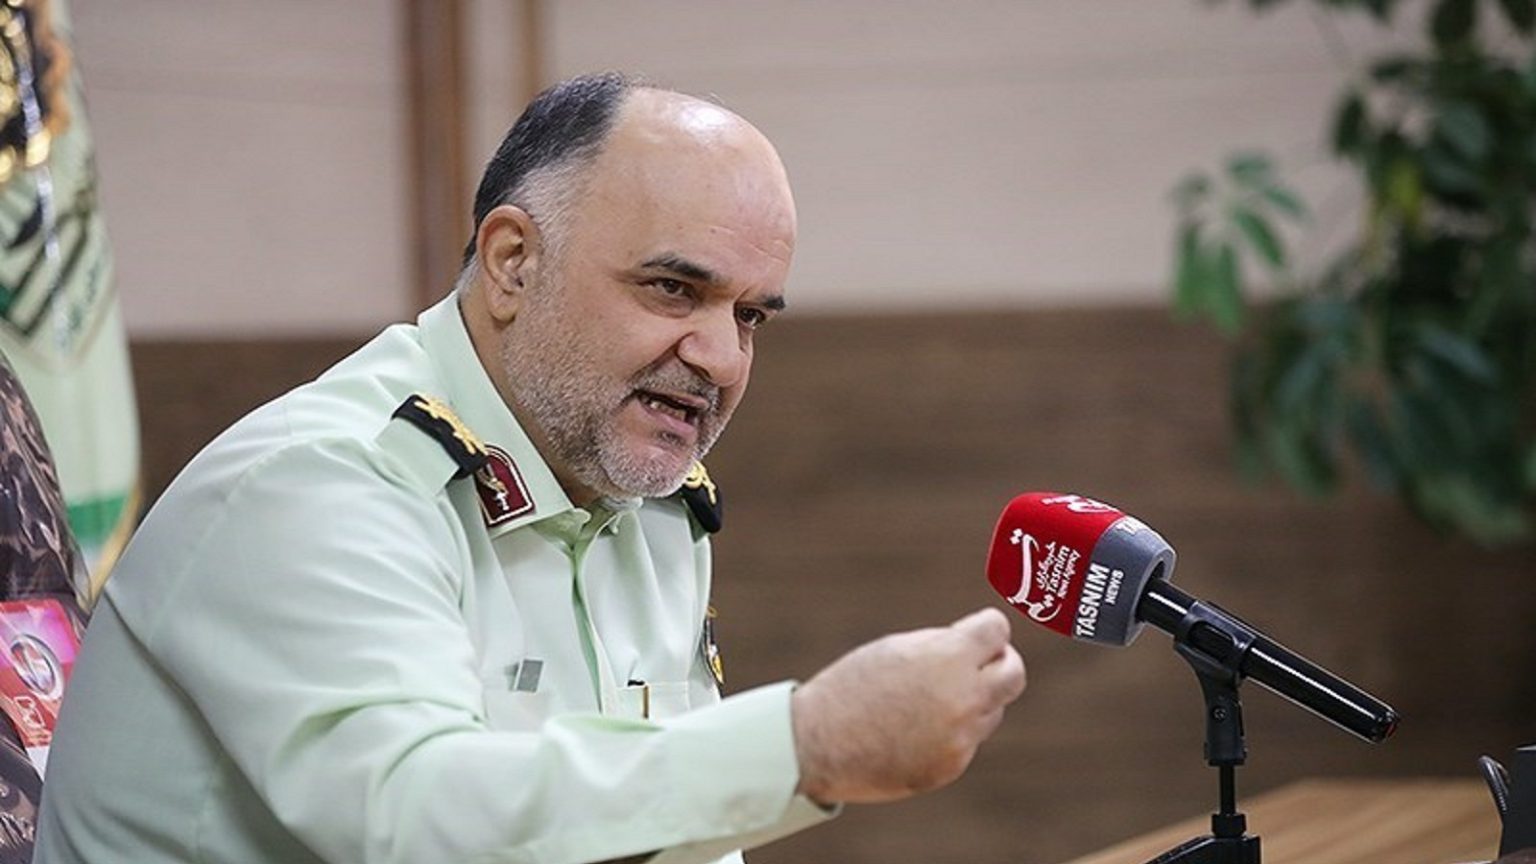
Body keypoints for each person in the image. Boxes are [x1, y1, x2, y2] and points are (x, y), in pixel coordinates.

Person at [33, 73, 1026, 864]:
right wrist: (804, 746)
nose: (722, 359)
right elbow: (415, 822)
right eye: (673, 289)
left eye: (751, 315)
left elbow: (641, 829)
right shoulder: (319, 483)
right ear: (513, 263)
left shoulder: (643, 497)